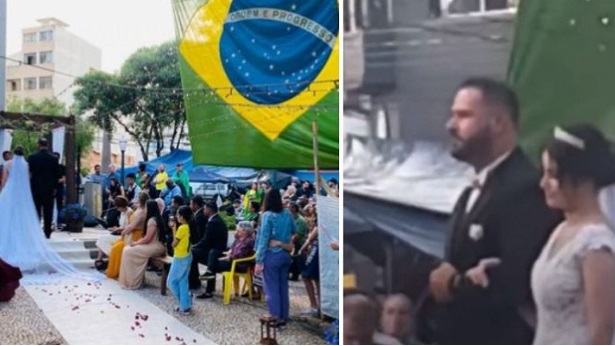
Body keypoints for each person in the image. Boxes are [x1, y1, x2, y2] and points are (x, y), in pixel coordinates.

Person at [423, 78, 560, 344]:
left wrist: (455, 286)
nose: (451, 126)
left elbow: (519, 281)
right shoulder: (470, 192)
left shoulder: (524, 189)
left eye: (463, 116)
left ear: (497, 123)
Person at [528, 125, 615, 344]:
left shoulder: (596, 245)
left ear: (581, 178)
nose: (543, 184)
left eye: (552, 175)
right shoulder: (561, 229)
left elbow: (601, 332)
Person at [0, 146, 90, 279]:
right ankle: (33, 236)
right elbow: (28, 179)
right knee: (23, 217)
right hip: (23, 194)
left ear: (13, 153)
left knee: (7, 217)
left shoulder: (7, 163)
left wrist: (3, 191)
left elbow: (4, 180)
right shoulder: (26, 164)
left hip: (10, 193)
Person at [254, 188, 296, 327]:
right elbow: (294, 230)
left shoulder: (267, 215)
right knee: (283, 286)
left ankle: (275, 316)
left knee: (271, 288)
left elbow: (263, 238)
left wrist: (259, 260)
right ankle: (284, 315)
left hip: (272, 255)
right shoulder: (288, 213)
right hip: (285, 254)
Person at [119, 200, 167, 289]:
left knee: (129, 251)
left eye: (145, 207)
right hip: (153, 245)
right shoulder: (154, 218)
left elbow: (148, 238)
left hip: (156, 246)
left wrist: (136, 243)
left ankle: (133, 282)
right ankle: (131, 280)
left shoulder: (152, 221)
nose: (144, 210)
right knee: (127, 249)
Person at [200, 221, 256, 293]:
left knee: (212, 265)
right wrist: (228, 255)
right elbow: (231, 250)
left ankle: (208, 290)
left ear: (244, 231)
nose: (236, 231)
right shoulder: (239, 239)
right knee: (213, 253)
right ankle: (209, 276)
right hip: (232, 260)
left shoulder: (248, 241)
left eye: (238, 229)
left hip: (238, 264)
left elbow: (238, 255)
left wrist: (226, 257)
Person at [191, 202, 229, 298]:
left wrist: (194, 246)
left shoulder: (214, 222)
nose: (204, 211)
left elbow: (206, 241)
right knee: (194, 252)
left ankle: (194, 282)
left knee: (192, 253)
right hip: (214, 251)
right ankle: (196, 281)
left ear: (209, 210)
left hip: (215, 252)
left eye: (205, 209)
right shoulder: (217, 220)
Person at [105, 195, 146, 278]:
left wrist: (122, 231)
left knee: (116, 248)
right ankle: (114, 269)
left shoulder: (138, 212)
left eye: (137, 200)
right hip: (128, 234)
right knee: (114, 247)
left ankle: (117, 271)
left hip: (134, 236)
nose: (135, 202)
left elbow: (131, 226)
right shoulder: (138, 210)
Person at [28, 138, 60, 239]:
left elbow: (30, 173)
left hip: (36, 187)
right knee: (48, 211)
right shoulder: (54, 158)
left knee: (36, 210)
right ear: (47, 145)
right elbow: (57, 175)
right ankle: (47, 232)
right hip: (49, 188)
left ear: (39, 145)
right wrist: (54, 187)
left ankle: (36, 231)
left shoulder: (32, 157)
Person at [167, 206, 194, 315]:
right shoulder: (189, 226)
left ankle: (185, 302)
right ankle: (185, 305)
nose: (176, 217)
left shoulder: (182, 228)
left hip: (180, 257)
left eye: (178, 215)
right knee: (183, 281)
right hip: (187, 256)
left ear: (182, 216)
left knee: (171, 282)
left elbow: (174, 243)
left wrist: (173, 228)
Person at [289, 202, 308, 281]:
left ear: (294, 209)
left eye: (290, 207)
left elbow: (299, 234)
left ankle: (295, 275)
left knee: (296, 259)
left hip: (299, 242)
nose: (288, 209)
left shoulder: (301, 220)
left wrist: (291, 242)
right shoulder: (291, 218)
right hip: (291, 241)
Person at [51, 152, 66, 226]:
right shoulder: (49, 166)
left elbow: (63, 179)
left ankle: (59, 221)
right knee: (50, 205)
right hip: (51, 188)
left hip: (59, 188)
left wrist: (54, 180)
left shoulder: (62, 167)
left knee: (59, 205)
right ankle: (51, 221)